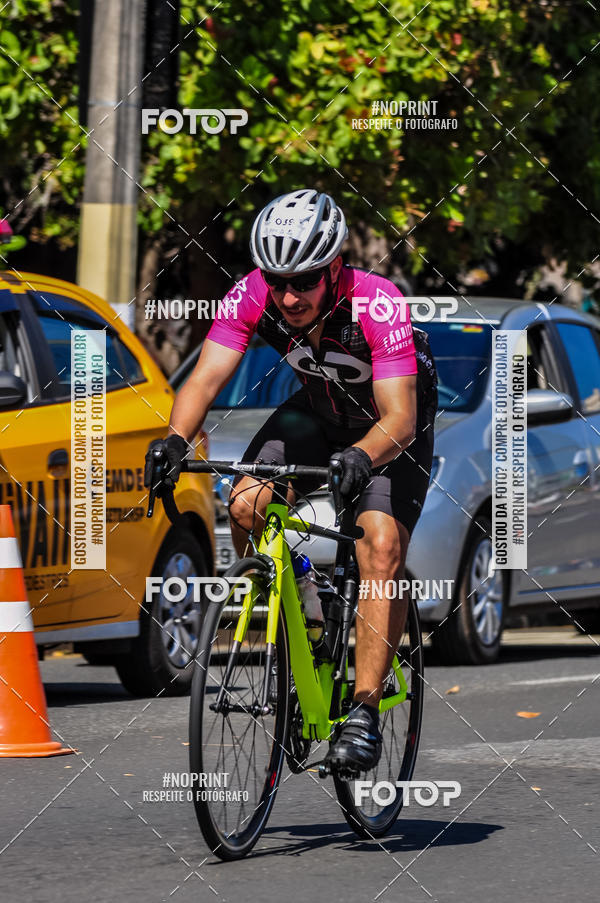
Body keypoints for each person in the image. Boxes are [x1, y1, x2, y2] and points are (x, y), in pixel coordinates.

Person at [147, 188, 437, 773]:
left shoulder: (377, 303)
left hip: (388, 430)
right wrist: (174, 441)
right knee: (247, 502)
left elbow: (400, 418)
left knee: (380, 545)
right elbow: (204, 379)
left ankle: (363, 710)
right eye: (277, 280)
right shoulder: (254, 295)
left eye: (303, 281)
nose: (287, 296)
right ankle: (297, 620)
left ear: (334, 269)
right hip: (316, 413)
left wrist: (361, 455)